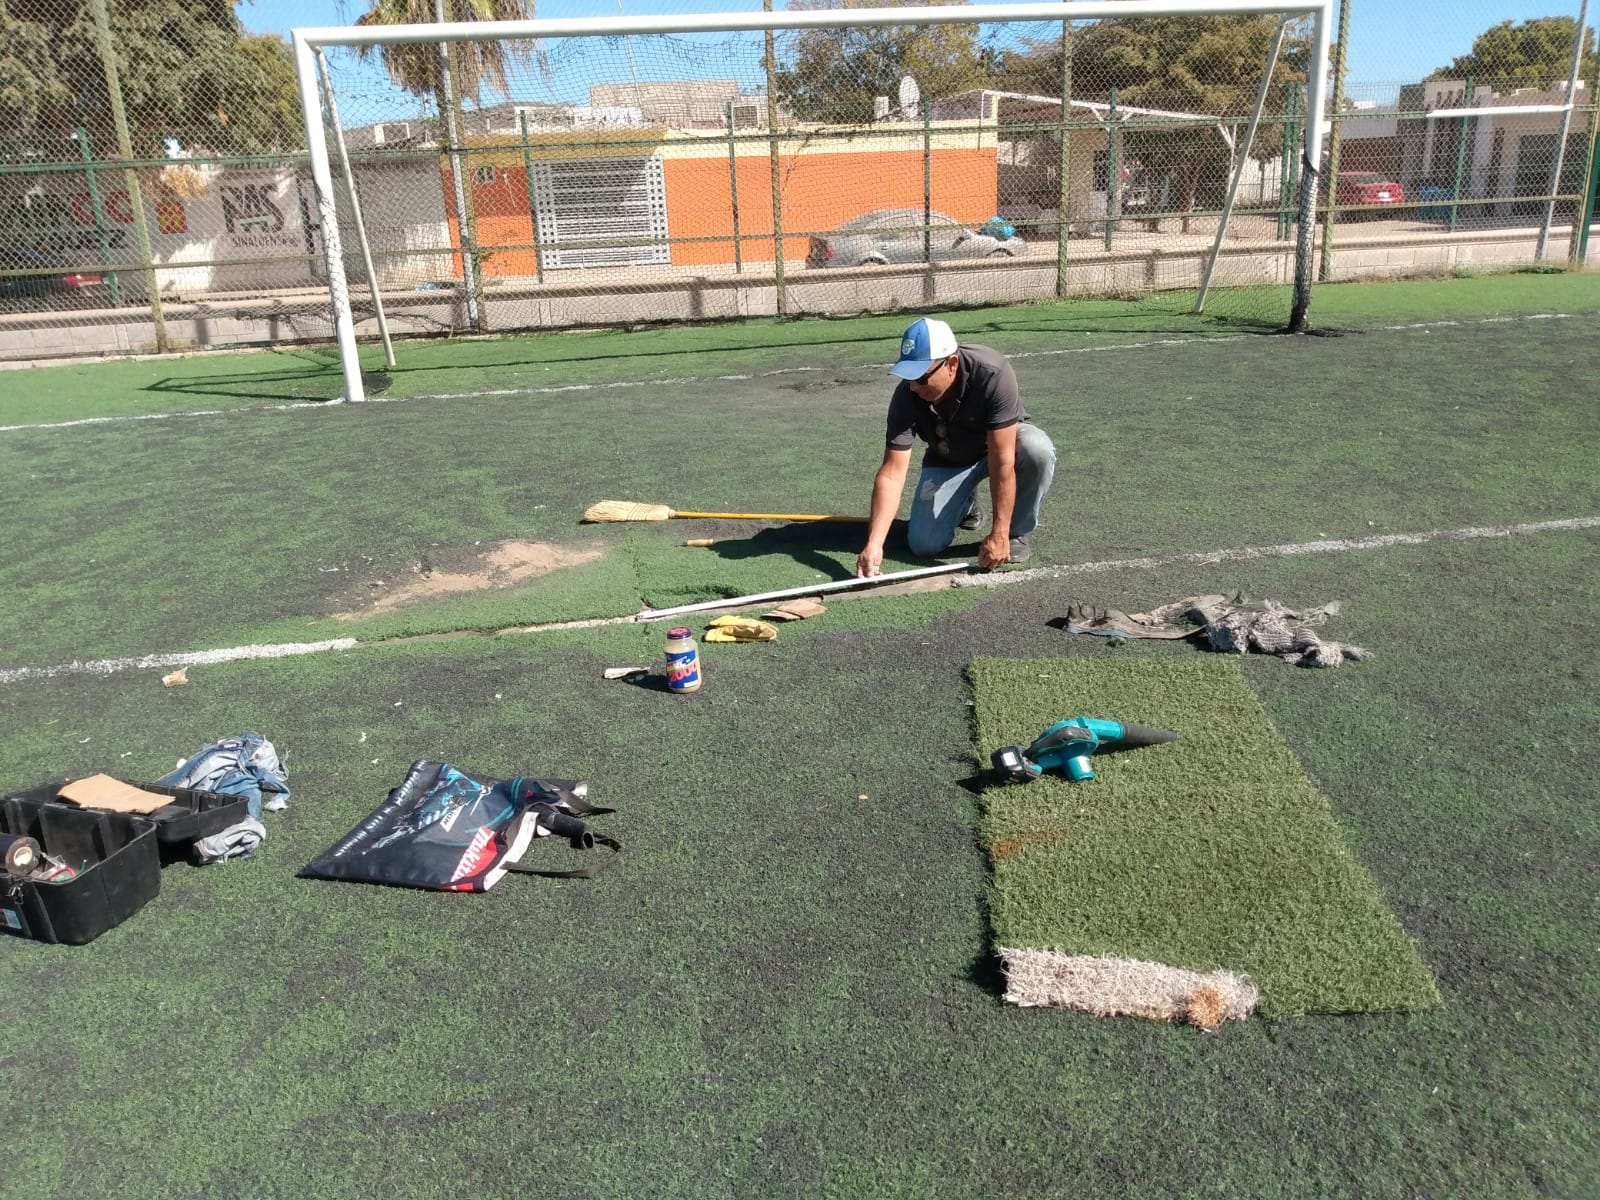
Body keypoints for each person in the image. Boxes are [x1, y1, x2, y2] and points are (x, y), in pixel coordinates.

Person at [855, 317, 1056, 577]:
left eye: (921, 377)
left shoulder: (992, 373)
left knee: (1035, 448)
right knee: (923, 545)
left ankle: (1016, 533)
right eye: (908, 378)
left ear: (951, 364)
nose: (914, 386)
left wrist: (1000, 531)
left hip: (998, 447)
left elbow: (1002, 461)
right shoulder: (907, 395)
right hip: (949, 458)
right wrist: (874, 544)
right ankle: (966, 504)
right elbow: (892, 474)